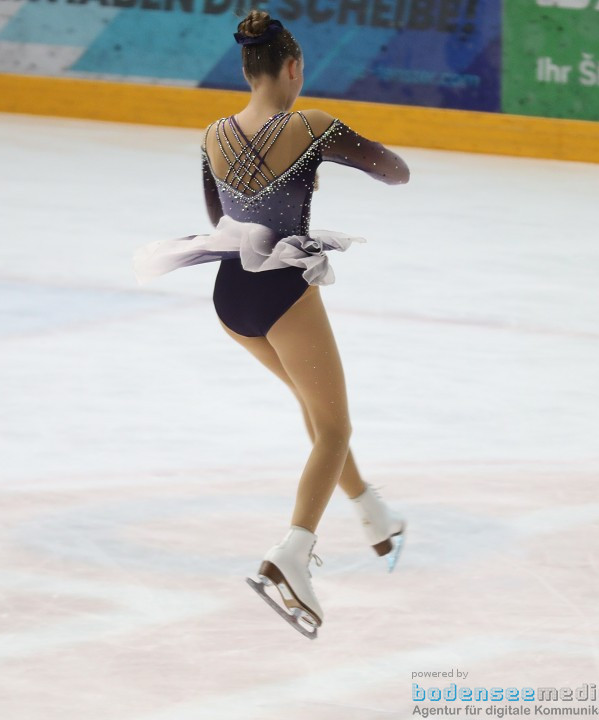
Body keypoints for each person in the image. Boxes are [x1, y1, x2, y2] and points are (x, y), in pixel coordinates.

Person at [132, 9, 410, 639]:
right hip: (283, 292)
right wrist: (322, 158)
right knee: (334, 427)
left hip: (231, 298)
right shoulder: (312, 126)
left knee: (315, 410)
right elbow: (395, 170)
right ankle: (292, 553)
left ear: (245, 70)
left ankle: (373, 513)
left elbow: (219, 217)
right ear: (292, 68)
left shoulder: (213, 135)